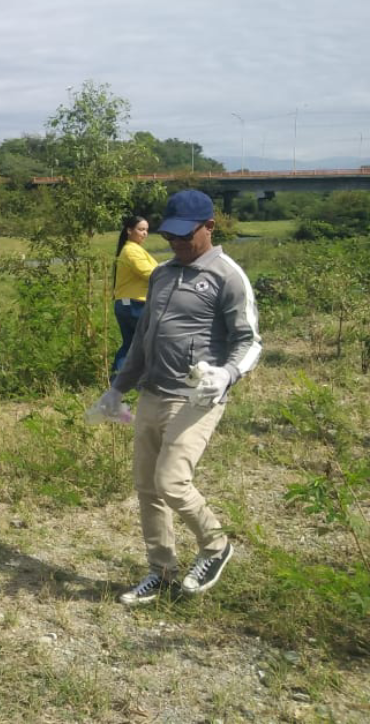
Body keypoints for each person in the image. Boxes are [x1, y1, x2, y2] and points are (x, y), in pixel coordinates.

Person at [92, 191, 261, 606]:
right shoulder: (162, 275)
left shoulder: (227, 275)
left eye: (186, 235)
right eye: (171, 236)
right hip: (153, 392)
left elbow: (250, 341)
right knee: (147, 488)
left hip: (197, 398)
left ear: (209, 227)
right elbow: (142, 342)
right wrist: (118, 388)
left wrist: (227, 373)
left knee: (171, 481)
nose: (177, 243)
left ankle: (215, 545)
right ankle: (161, 570)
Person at [112, 215, 158, 377]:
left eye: (146, 230)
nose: (144, 233)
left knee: (131, 344)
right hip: (134, 305)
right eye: (140, 229)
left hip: (128, 303)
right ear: (129, 230)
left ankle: (120, 380)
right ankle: (136, 380)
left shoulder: (133, 248)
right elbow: (150, 273)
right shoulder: (131, 251)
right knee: (148, 342)